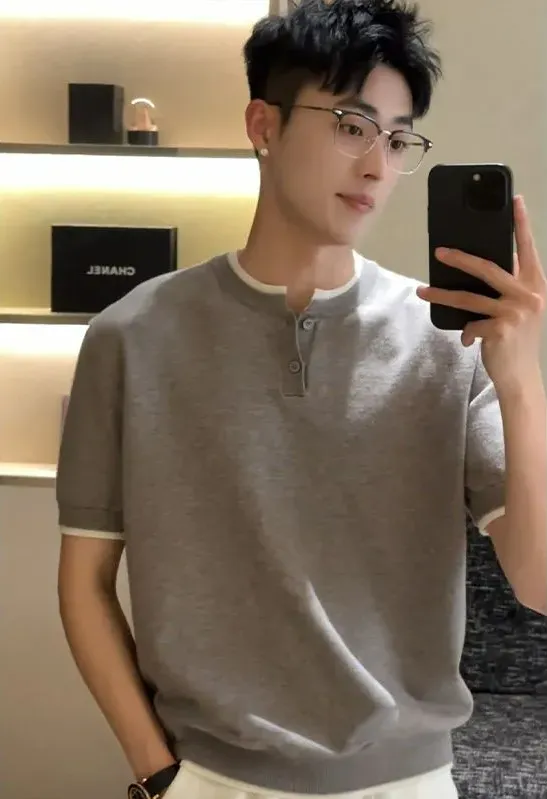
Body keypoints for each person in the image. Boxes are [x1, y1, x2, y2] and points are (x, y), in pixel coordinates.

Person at [56, 1, 547, 798]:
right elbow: (83, 583)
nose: (376, 165)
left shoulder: (446, 345)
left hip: (407, 781)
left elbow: (539, 581)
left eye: (397, 139)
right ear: (264, 124)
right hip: (209, 776)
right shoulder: (132, 335)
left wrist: (520, 378)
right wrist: (157, 772)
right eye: (351, 126)